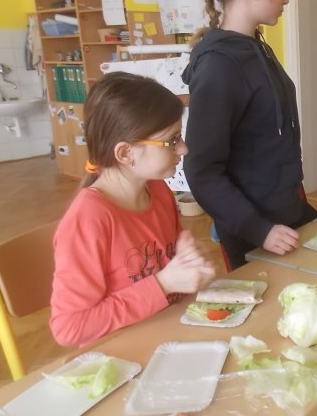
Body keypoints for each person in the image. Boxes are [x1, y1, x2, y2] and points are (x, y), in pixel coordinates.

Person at [182, 0, 317, 270]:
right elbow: (201, 170)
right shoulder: (219, 66)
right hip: (253, 231)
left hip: (285, 211)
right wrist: (260, 230)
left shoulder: (255, 46)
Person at [50, 73, 217, 347]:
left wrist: (188, 259)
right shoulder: (88, 220)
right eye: (172, 140)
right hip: (122, 352)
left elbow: (169, 266)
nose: (184, 148)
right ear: (126, 153)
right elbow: (69, 328)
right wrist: (163, 284)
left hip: (169, 335)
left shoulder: (158, 190)